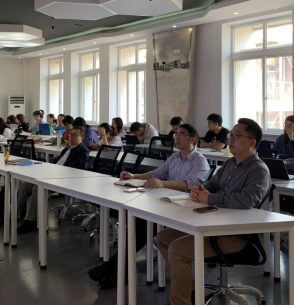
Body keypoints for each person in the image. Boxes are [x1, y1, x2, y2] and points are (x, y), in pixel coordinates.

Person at [156, 118, 271, 305]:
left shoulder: (258, 170)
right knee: (163, 238)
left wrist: (210, 198)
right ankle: (189, 291)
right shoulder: (230, 164)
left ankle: (180, 302)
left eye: (236, 136)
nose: (230, 139)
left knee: (177, 249)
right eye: (231, 135)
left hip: (233, 234)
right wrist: (200, 189)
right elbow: (212, 184)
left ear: (252, 142)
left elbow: (247, 200)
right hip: (212, 224)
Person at [88, 124, 211, 289]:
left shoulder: (200, 161)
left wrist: (163, 183)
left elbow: (190, 184)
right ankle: (117, 270)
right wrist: (134, 176)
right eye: (176, 134)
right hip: (168, 204)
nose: (176, 137)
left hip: (186, 209)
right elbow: (156, 173)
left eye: (181, 134)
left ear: (192, 139)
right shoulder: (174, 158)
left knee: (143, 224)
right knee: (139, 220)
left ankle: (114, 269)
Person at [17, 127, 90, 234]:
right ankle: (15, 214)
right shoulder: (66, 149)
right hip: (51, 175)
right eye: (71, 134)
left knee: (38, 187)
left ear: (82, 138)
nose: (71, 137)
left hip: (64, 178)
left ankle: (31, 221)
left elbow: (76, 166)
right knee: (25, 186)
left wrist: (56, 171)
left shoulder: (83, 150)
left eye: (75, 135)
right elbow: (57, 161)